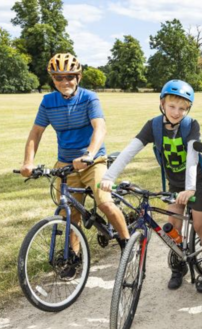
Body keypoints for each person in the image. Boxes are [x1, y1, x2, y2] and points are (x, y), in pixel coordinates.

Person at [100, 79, 202, 293]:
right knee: (172, 228)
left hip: (198, 183)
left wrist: (191, 188)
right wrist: (110, 176)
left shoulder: (190, 125)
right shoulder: (154, 125)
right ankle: (179, 265)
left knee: (199, 225)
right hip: (175, 183)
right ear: (162, 103)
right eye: (172, 106)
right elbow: (131, 150)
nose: (177, 112)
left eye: (183, 108)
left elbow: (193, 156)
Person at [20, 53, 130, 279]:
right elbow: (36, 133)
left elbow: (100, 127)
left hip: (94, 161)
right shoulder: (48, 102)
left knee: (104, 203)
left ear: (78, 76)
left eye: (69, 76)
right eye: (59, 78)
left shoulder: (89, 98)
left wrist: (90, 154)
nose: (64, 82)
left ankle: (127, 244)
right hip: (66, 163)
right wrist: (28, 162)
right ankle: (74, 257)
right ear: (53, 80)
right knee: (68, 213)